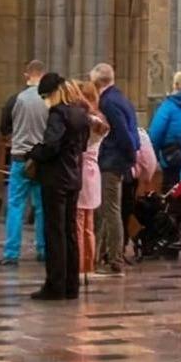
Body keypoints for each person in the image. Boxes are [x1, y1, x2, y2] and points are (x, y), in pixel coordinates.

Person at [28, 72, 89, 300]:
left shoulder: (58, 114)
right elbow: (82, 145)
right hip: (74, 176)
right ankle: (71, 285)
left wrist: (34, 152)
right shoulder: (80, 112)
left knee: (54, 232)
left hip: (55, 179)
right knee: (70, 231)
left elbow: (51, 146)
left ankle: (55, 285)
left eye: (45, 96)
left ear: (53, 93)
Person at [93, 63, 139, 275]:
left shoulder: (108, 101)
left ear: (97, 82)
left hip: (112, 161)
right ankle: (101, 255)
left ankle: (115, 260)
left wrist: (130, 156)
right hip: (118, 159)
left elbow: (123, 132)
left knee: (111, 210)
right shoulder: (121, 98)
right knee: (107, 209)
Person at [2, 59, 47, 264]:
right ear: (43, 75)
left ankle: (11, 253)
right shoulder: (48, 99)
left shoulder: (15, 99)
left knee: (16, 205)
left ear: (26, 75)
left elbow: (5, 128)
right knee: (41, 207)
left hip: (19, 157)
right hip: (42, 160)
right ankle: (43, 249)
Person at [75, 80, 104, 277]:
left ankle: (78, 266)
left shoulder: (88, 122)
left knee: (78, 222)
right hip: (94, 171)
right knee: (89, 224)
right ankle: (89, 263)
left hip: (81, 171)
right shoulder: (100, 121)